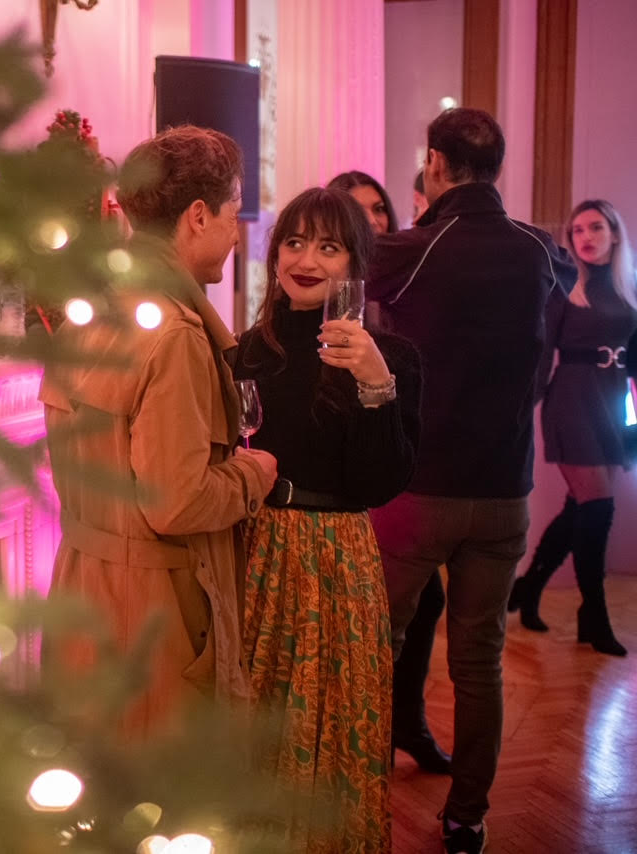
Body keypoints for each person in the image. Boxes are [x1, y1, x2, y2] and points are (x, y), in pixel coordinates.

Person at [366, 107, 574, 854]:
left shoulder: (413, 248)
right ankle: (467, 818)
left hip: (419, 488)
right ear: (499, 168)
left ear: (434, 163)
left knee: (375, 647)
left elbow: (353, 287)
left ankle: (355, 795)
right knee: (479, 661)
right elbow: (562, 291)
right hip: (505, 493)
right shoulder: (540, 250)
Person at [39, 125, 278, 742]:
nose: (235, 233)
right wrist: (254, 473)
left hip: (80, 596)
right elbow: (177, 501)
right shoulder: (173, 334)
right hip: (151, 617)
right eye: (231, 214)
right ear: (198, 216)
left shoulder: (86, 314)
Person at [235, 187, 421, 852]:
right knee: (255, 712)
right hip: (255, 548)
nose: (306, 259)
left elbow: (380, 484)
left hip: (340, 556)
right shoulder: (245, 353)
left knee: (335, 714)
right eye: (294, 242)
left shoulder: (393, 357)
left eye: (328, 246)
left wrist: (375, 385)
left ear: (356, 265)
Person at [327, 170, 452, 774]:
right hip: (348, 480)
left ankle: (406, 720)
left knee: (424, 600)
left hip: (405, 465)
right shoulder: (326, 297)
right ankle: (367, 727)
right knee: (383, 609)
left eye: (379, 208)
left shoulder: (405, 287)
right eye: (358, 210)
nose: (372, 220)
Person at [508, 199, 636, 656]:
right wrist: (525, 406)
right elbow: (543, 350)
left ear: (615, 234)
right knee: (597, 507)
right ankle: (594, 615)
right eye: (577, 230)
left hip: (613, 402)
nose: (585, 237)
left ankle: (527, 589)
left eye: (595, 227)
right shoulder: (565, 285)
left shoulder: (628, 286)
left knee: (580, 507)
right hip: (573, 401)